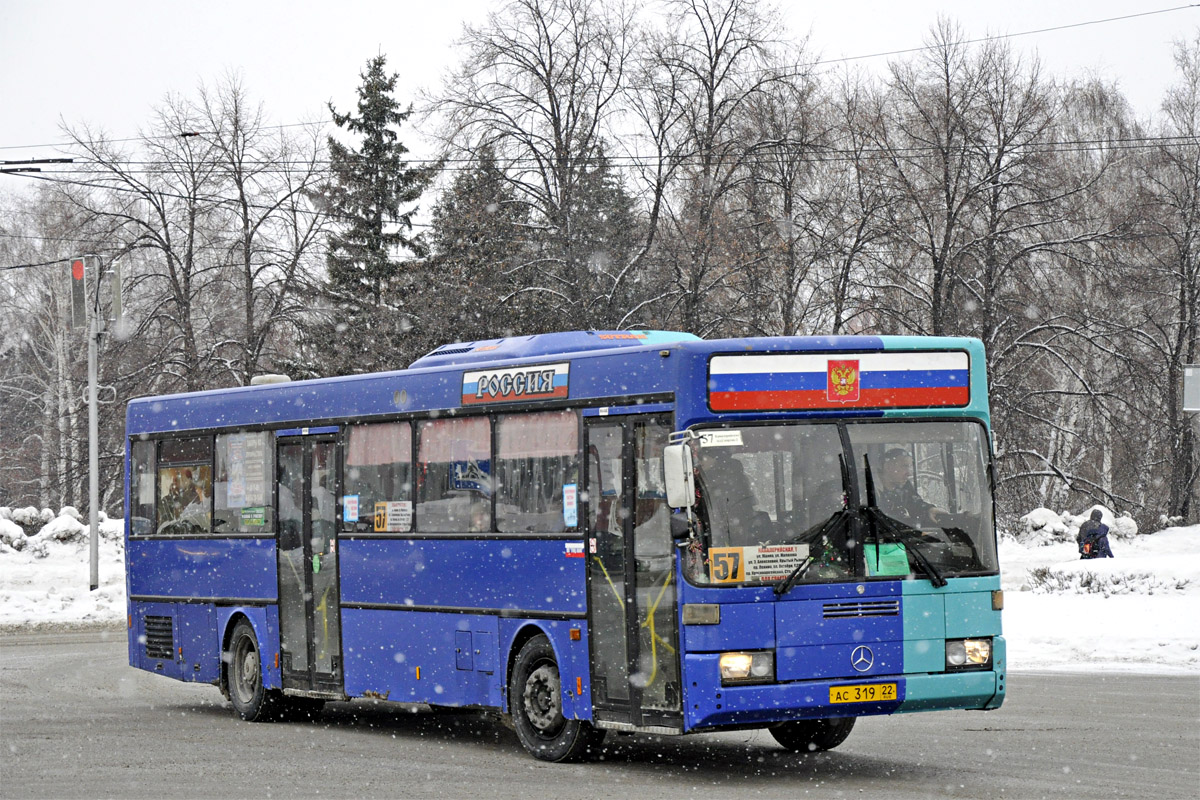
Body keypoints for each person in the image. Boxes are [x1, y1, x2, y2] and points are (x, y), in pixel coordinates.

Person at [875, 448, 948, 527]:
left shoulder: (904, 485)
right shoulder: (867, 488)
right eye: (904, 466)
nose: (909, 473)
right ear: (888, 467)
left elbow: (915, 503)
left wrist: (929, 509)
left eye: (909, 467)